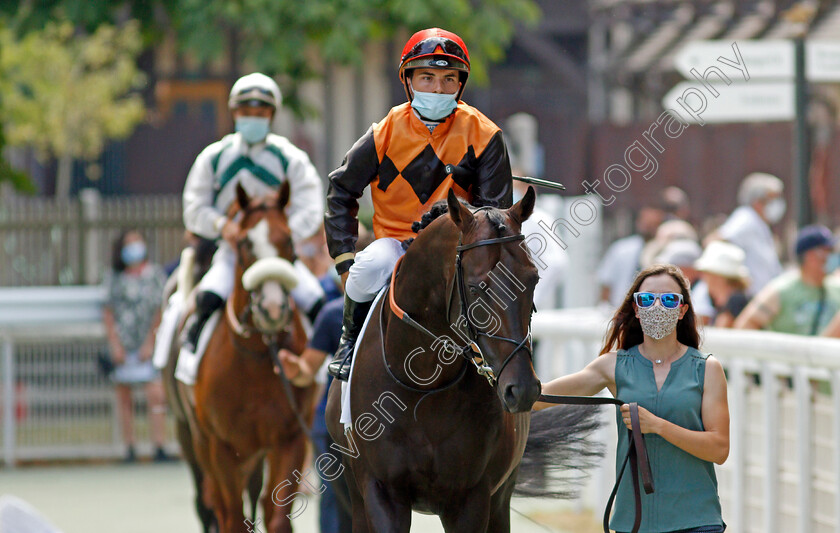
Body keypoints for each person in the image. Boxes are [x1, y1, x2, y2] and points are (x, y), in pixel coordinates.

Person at [324, 28, 514, 380]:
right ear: (408, 81)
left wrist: (457, 218)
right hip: (396, 248)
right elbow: (340, 190)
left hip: (458, 252)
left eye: (448, 79)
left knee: (516, 285)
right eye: (427, 77)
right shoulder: (384, 132)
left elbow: (495, 214)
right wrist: (345, 259)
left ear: (461, 84)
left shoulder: (486, 135)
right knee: (367, 269)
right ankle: (349, 341)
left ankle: (509, 368)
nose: (438, 89)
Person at [536, 264, 729, 533]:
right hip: (635, 522)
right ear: (636, 309)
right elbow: (540, 396)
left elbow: (719, 449)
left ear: (682, 310)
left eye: (670, 299)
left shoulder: (708, 368)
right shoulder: (611, 366)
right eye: (647, 299)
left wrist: (658, 426)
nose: (657, 307)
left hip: (697, 520)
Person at [179, 72, 325, 360]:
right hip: (233, 253)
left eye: (260, 113)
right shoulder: (213, 157)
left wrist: (278, 236)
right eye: (246, 112)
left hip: (281, 255)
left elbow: (311, 206)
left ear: (271, 115)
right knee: (207, 298)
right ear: (234, 112)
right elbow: (193, 207)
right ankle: (186, 363)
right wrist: (222, 226)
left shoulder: (291, 158)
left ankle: (329, 370)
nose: (253, 118)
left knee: (317, 303)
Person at [102, 230, 172, 462]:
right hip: (124, 344)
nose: (133, 248)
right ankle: (129, 448)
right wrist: (116, 346)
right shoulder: (114, 277)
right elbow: (108, 311)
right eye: (128, 243)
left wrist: (150, 343)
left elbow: (160, 308)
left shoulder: (154, 274)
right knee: (124, 397)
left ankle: (159, 446)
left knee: (155, 395)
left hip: (148, 344)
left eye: (137, 242)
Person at [735, 225, 840, 335]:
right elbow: (745, 325)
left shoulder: (836, 288)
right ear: (810, 256)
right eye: (827, 251)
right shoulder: (781, 290)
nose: (832, 256)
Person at [708, 172, 784, 296]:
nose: (777, 204)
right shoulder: (746, 218)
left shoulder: (761, 225)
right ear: (757, 201)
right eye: (772, 199)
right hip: (748, 298)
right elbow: (715, 240)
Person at [597, 205, 664, 308]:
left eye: (653, 224)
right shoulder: (621, 248)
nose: (648, 227)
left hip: (649, 309)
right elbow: (606, 282)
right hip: (618, 307)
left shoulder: (664, 251)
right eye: (646, 223)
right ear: (638, 222)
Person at [695, 241, 751, 328]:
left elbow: (723, 331)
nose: (703, 277)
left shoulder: (736, 300)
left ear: (717, 276)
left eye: (706, 273)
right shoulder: (721, 303)